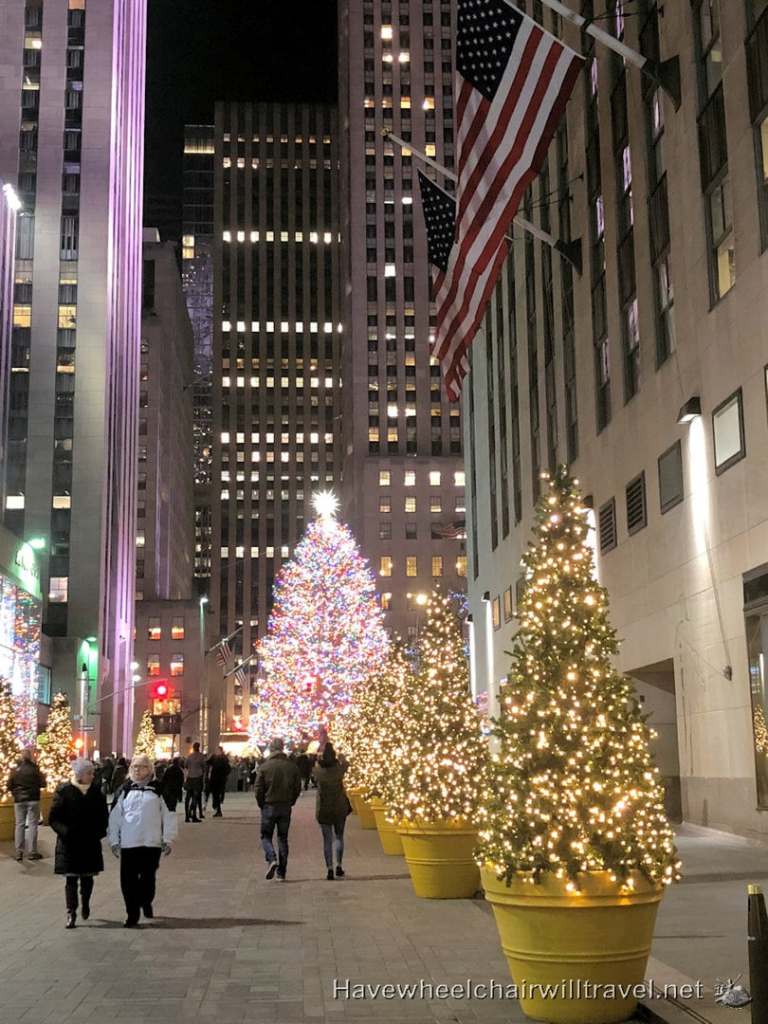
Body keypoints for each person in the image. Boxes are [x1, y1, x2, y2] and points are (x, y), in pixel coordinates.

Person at [108, 754, 177, 927]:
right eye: (135, 767)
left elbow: (169, 815)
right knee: (127, 880)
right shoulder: (124, 789)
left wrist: (168, 839)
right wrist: (114, 841)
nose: (138, 770)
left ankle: (146, 901)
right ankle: (132, 913)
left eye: (142, 766)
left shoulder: (159, 789)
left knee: (147, 879)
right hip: (129, 842)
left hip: (151, 843)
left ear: (150, 769)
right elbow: (114, 817)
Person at [48, 757, 109, 928]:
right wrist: (65, 832)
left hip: (89, 842)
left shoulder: (96, 792)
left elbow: (103, 816)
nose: (92, 776)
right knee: (71, 879)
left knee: (88, 878)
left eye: (92, 773)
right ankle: (71, 912)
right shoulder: (64, 791)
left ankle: (86, 903)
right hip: (70, 843)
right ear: (79, 774)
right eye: (89, 773)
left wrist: (99, 832)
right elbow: (54, 818)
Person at [255, 737, 301, 881]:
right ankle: (281, 872)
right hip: (285, 805)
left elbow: (258, 788)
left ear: (271, 749)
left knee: (266, 836)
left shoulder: (264, 767)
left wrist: (261, 803)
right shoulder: (292, 767)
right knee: (283, 838)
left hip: (269, 805)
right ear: (282, 748)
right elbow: (297, 787)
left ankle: (272, 858)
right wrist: (291, 801)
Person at [313, 742, 351, 880]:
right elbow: (346, 763)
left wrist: (318, 761)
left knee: (327, 840)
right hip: (339, 807)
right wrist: (341, 757)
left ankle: (329, 868)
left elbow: (314, 771)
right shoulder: (339, 770)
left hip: (324, 808)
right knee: (339, 837)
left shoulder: (318, 771)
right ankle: (339, 865)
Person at [7, 748, 46, 862]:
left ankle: (19, 852)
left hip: (19, 800)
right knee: (33, 825)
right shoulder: (35, 769)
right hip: (33, 799)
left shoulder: (15, 770)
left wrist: (15, 792)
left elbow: (9, 785)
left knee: (19, 825)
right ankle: (32, 852)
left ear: (21, 757)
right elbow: (43, 783)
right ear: (30, 757)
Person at [183, 742, 205, 822]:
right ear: (199, 747)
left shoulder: (189, 756)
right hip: (198, 778)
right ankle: (194, 815)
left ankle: (187, 816)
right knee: (195, 797)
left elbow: (185, 765)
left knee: (188, 798)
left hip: (190, 778)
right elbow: (204, 767)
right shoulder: (201, 756)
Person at [206, 746, 231, 817]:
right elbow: (228, 768)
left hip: (216, 779)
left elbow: (207, 762)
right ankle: (218, 808)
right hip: (220, 779)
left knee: (215, 794)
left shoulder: (216, 758)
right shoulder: (223, 758)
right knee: (217, 794)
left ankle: (217, 808)